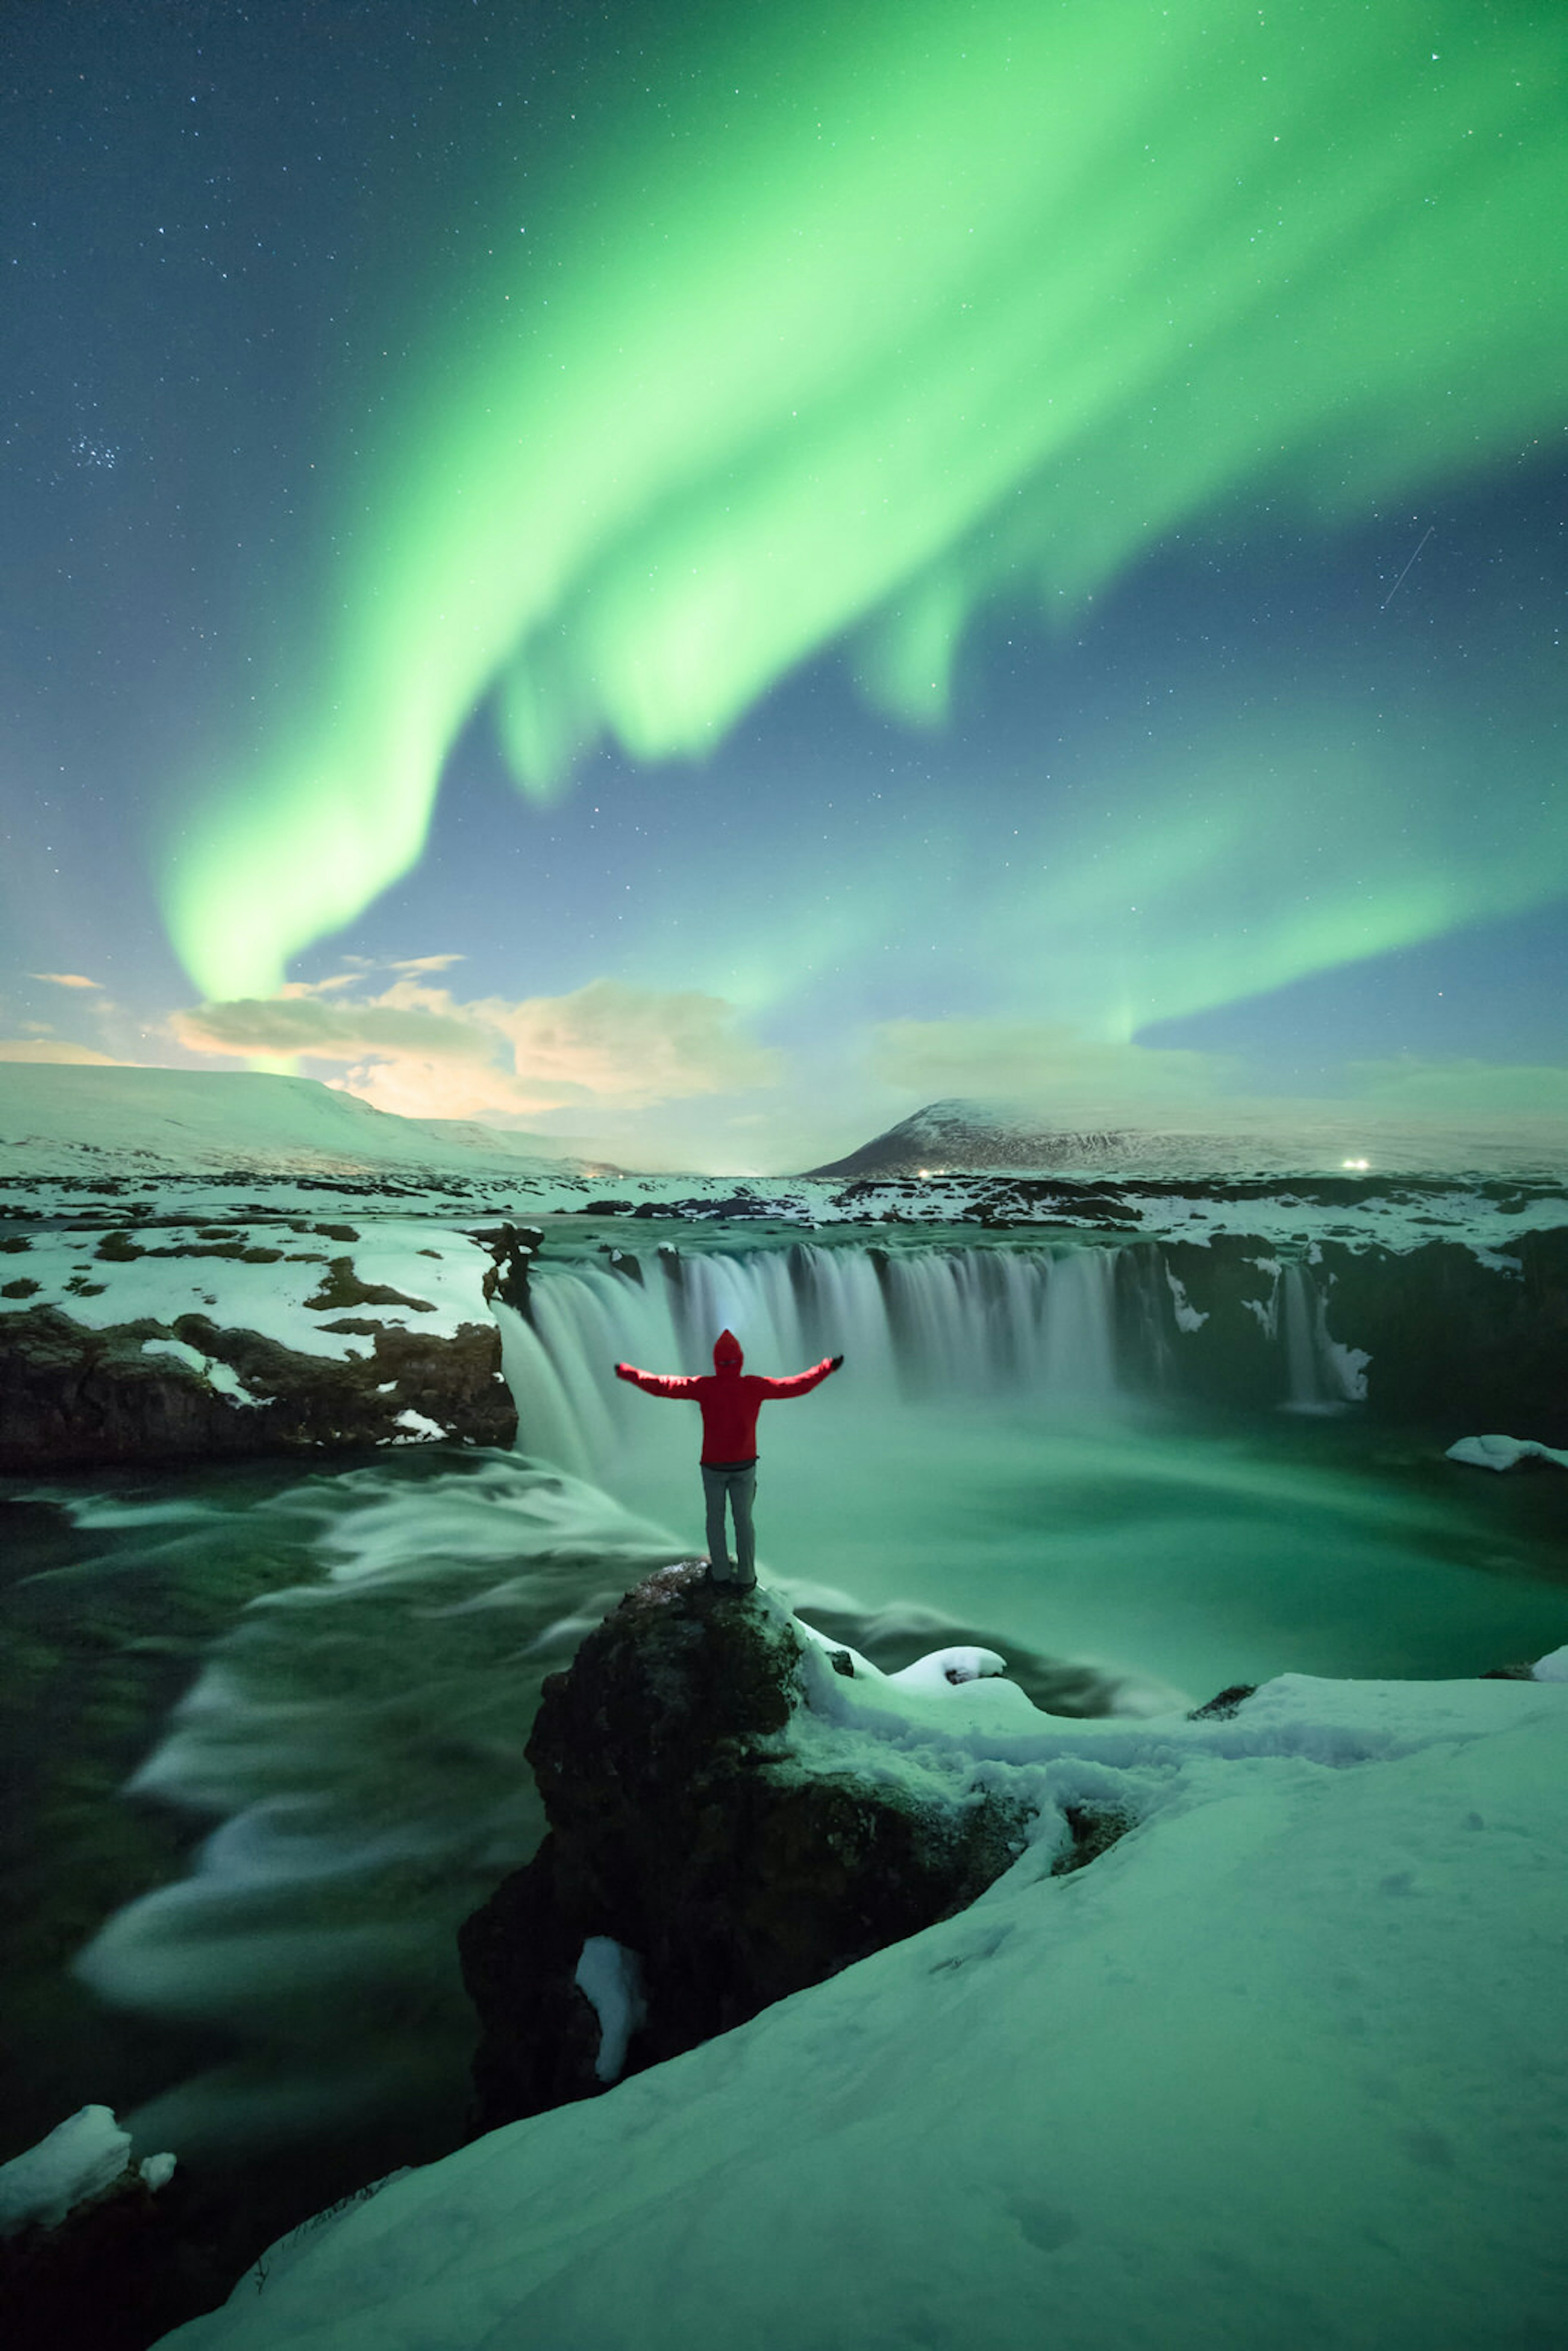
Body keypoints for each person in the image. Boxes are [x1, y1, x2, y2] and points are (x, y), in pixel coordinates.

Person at [614, 1329, 842, 1588]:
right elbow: (796, 1386)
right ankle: (746, 1578)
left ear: (715, 1361)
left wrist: (627, 1372)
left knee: (715, 1520)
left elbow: (660, 1386)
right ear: (741, 1360)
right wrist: (827, 1368)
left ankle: (720, 1574)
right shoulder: (754, 1386)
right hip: (745, 1466)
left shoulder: (703, 1387)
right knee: (744, 1521)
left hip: (713, 1467)